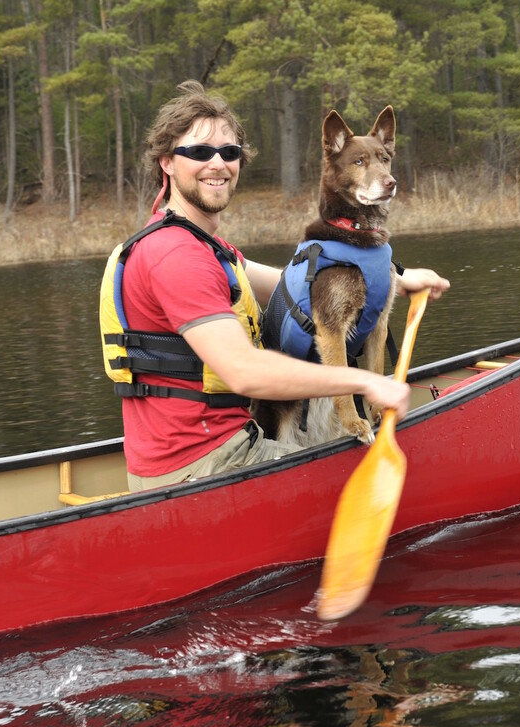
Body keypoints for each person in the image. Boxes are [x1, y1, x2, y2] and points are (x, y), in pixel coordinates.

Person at [100, 81, 450, 491]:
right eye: (199, 152)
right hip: (207, 466)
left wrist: (395, 279)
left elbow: (297, 284)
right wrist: (366, 382)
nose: (217, 163)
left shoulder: (203, 247)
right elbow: (243, 372)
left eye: (229, 153)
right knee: (385, 464)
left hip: (225, 444)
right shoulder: (176, 256)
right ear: (167, 163)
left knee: (361, 438)